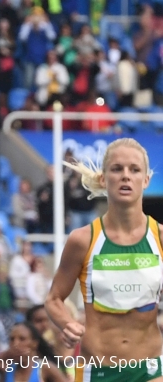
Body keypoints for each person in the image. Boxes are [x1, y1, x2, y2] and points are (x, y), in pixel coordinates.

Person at [45, 138, 163, 382]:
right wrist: (66, 323)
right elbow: (54, 298)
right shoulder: (82, 240)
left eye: (134, 169)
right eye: (117, 169)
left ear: (146, 180)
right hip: (97, 370)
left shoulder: (160, 236)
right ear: (103, 178)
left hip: (151, 369)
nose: (126, 176)